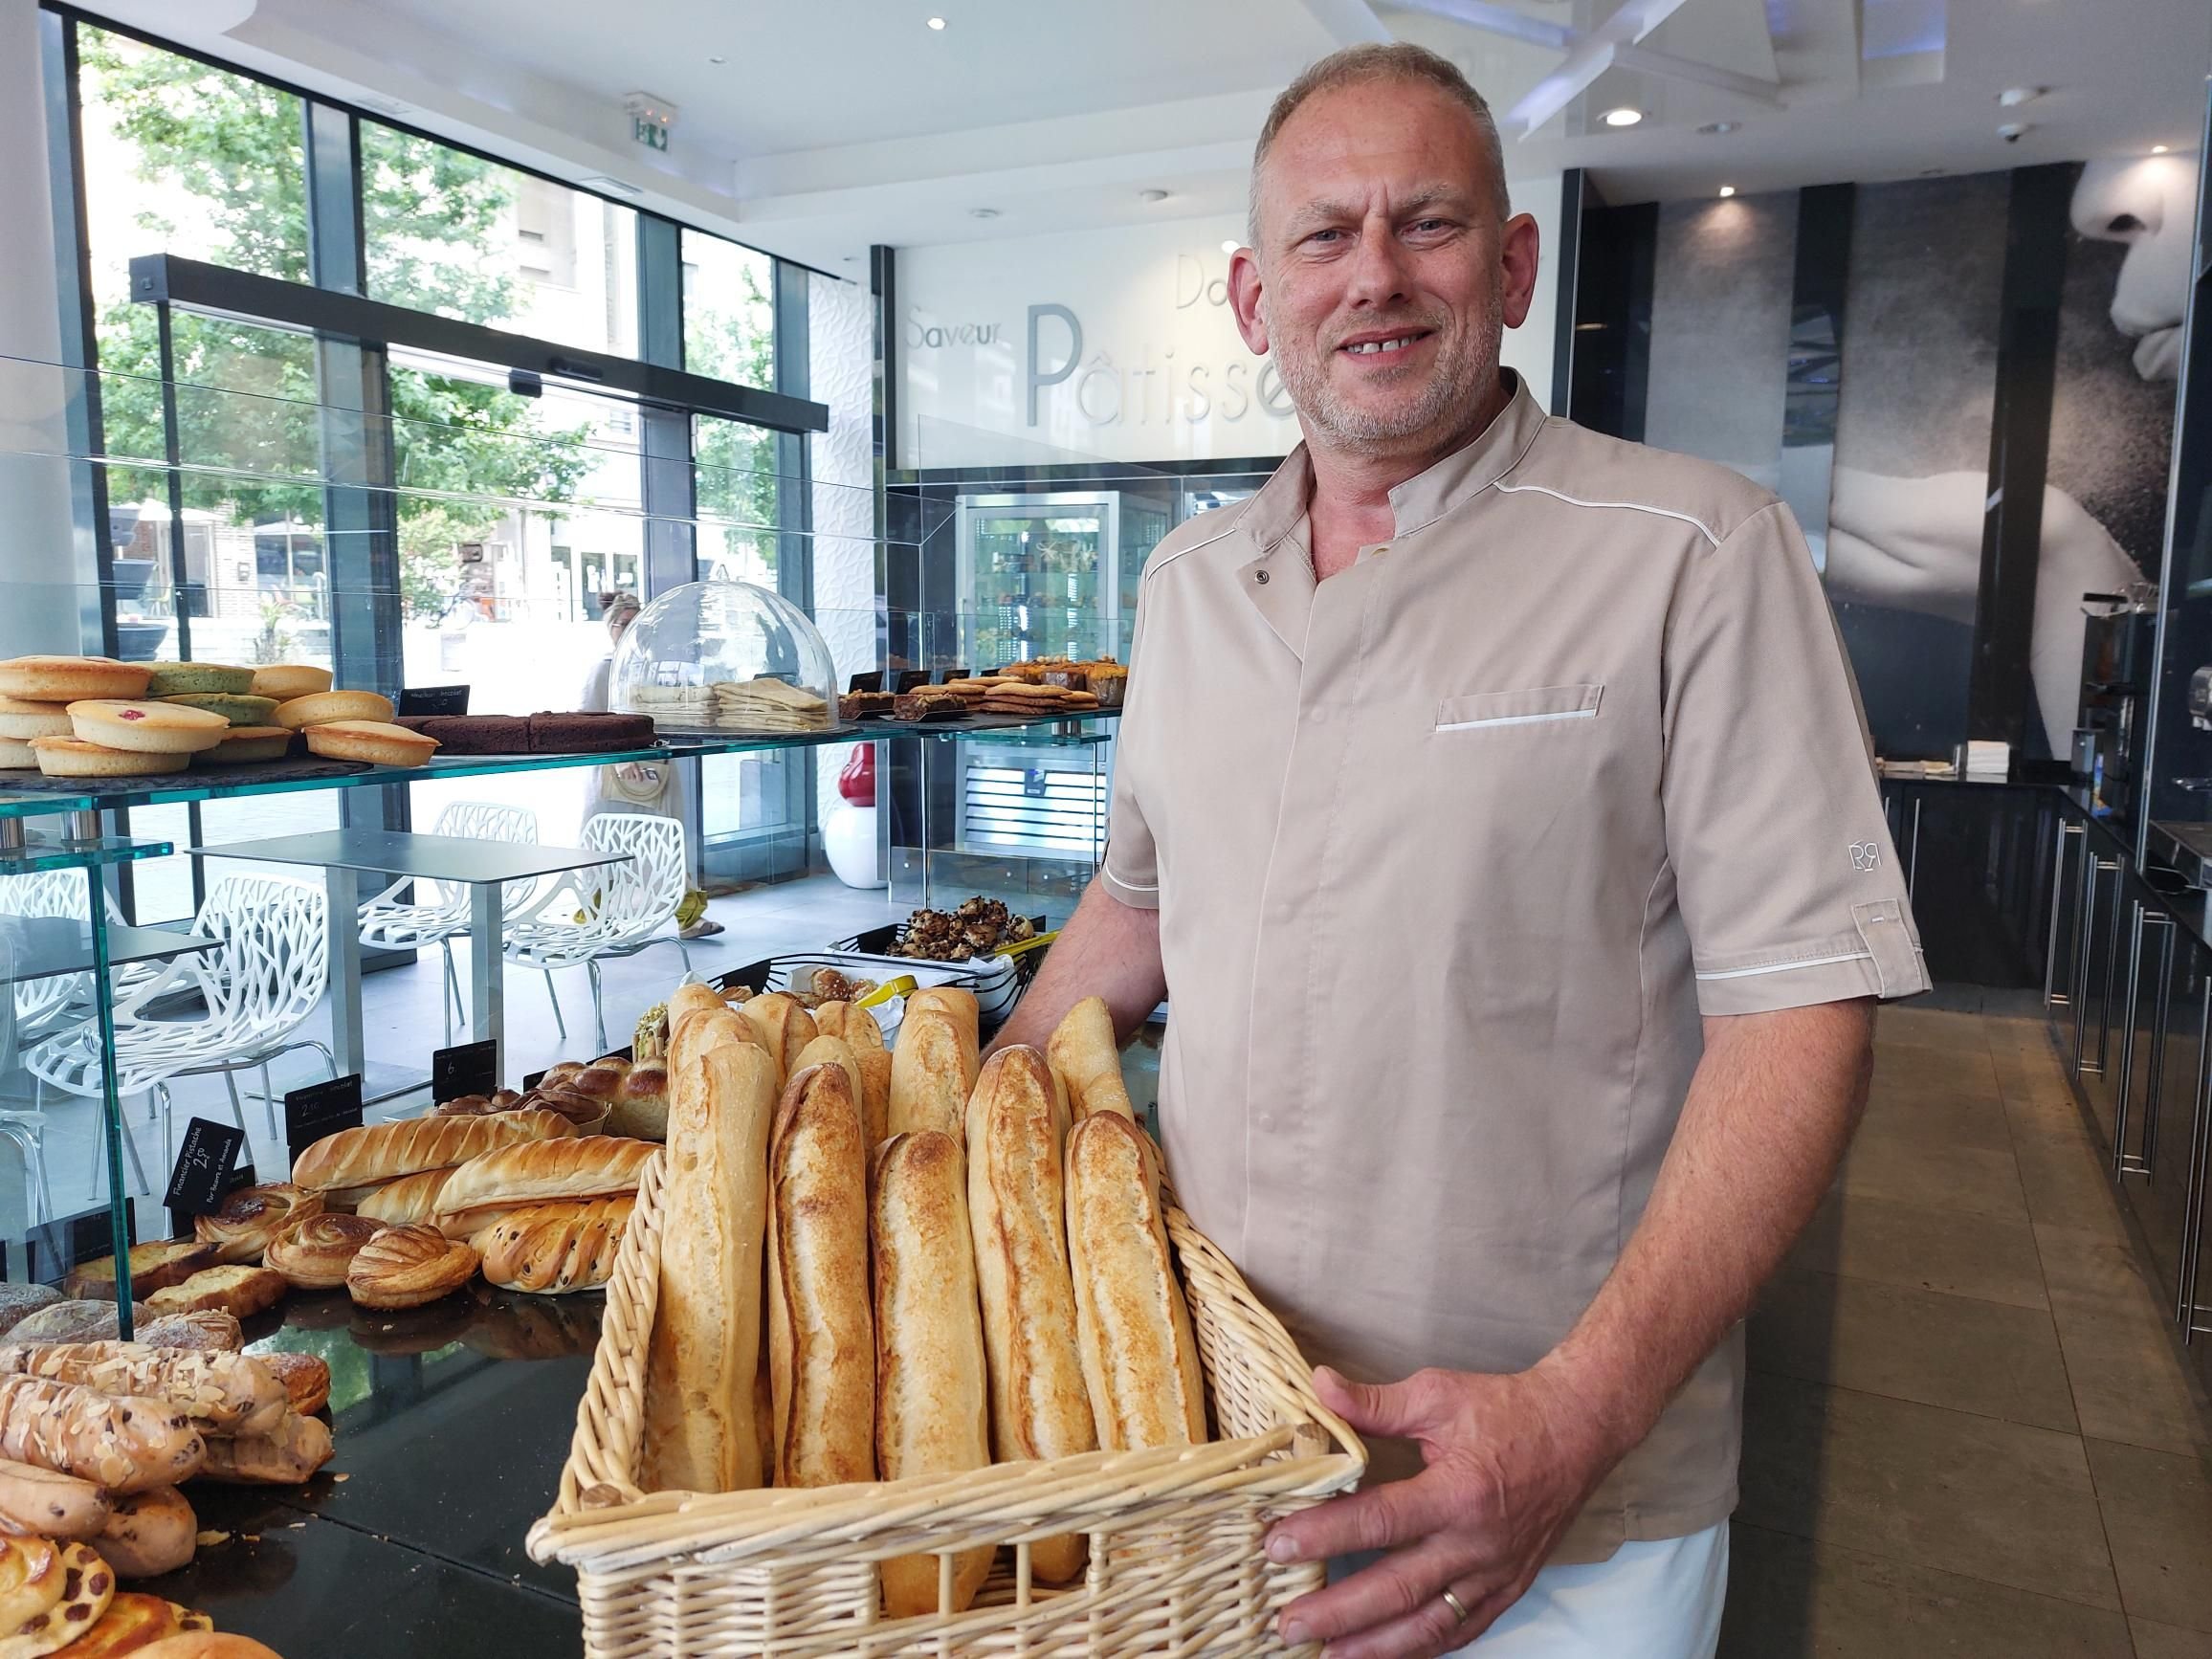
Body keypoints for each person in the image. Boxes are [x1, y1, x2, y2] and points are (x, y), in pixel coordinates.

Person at [989, 42, 1927, 1659]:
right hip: (1212, 1438)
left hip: (1555, 1495)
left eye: (1424, 225)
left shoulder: (1693, 553)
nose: (1374, 275)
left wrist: (1577, 1412)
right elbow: (1133, 912)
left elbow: (1799, 1012)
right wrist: (979, 1109)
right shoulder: (1188, 581)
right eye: (1323, 234)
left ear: (1509, 266)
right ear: (1248, 293)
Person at [579, 590, 719, 940]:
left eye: (637, 623)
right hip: (614, 771)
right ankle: (597, 917)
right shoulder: (604, 670)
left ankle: (688, 917)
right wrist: (621, 759)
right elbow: (585, 722)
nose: (630, 630)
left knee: (669, 842)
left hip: (657, 765)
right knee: (603, 845)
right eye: (623, 624)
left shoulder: (656, 669)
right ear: (609, 628)